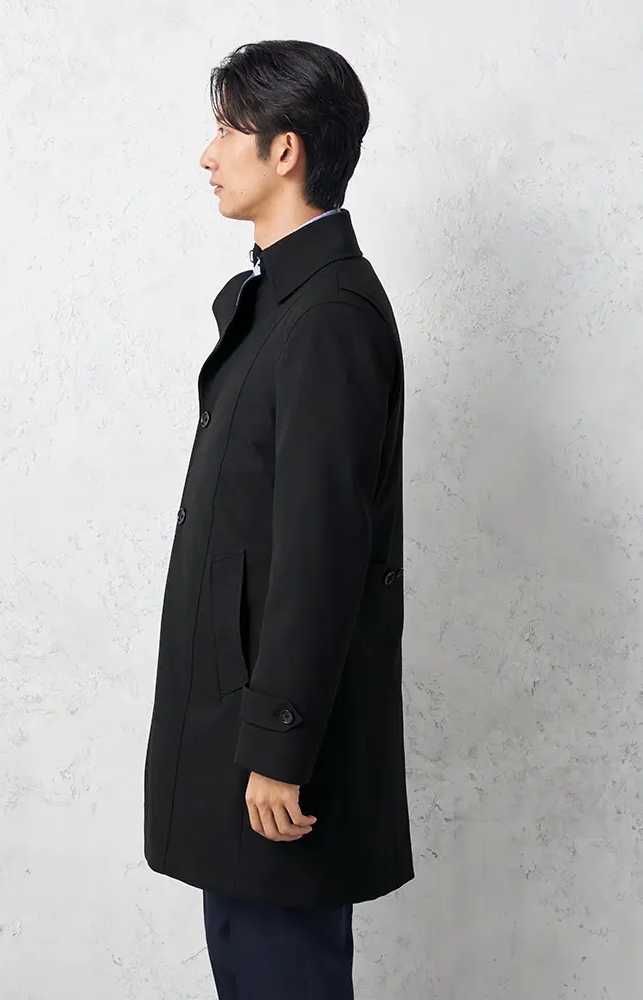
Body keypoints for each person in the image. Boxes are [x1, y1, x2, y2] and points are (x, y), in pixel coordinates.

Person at [143, 39, 415, 999]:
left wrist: (277, 749)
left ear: (285, 149)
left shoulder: (329, 316)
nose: (208, 154)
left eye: (228, 130)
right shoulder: (284, 302)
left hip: (272, 754)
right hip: (242, 731)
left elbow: (322, 555)